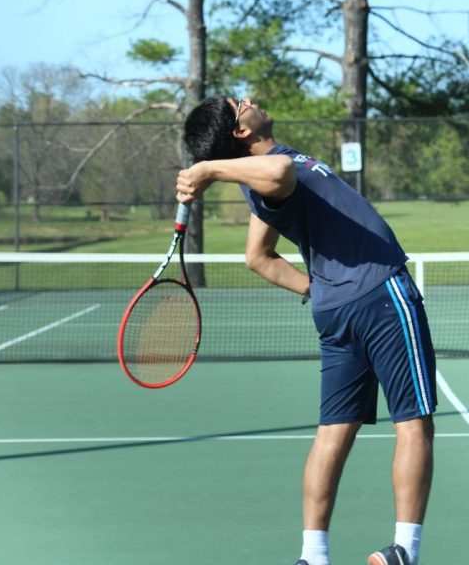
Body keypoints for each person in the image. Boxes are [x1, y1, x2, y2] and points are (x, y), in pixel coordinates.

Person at [178, 96, 437, 565]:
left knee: (332, 433)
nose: (251, 100)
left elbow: (257, 256)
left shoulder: (268, 172)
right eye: (242, 105)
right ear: (242, 132)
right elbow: (276, 177)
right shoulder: (270, 171)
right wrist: (209, 170)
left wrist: (319, 291)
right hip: (381, 293)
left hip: (338, 309)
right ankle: (405, 552)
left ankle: (313, 557)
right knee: (414, 423)